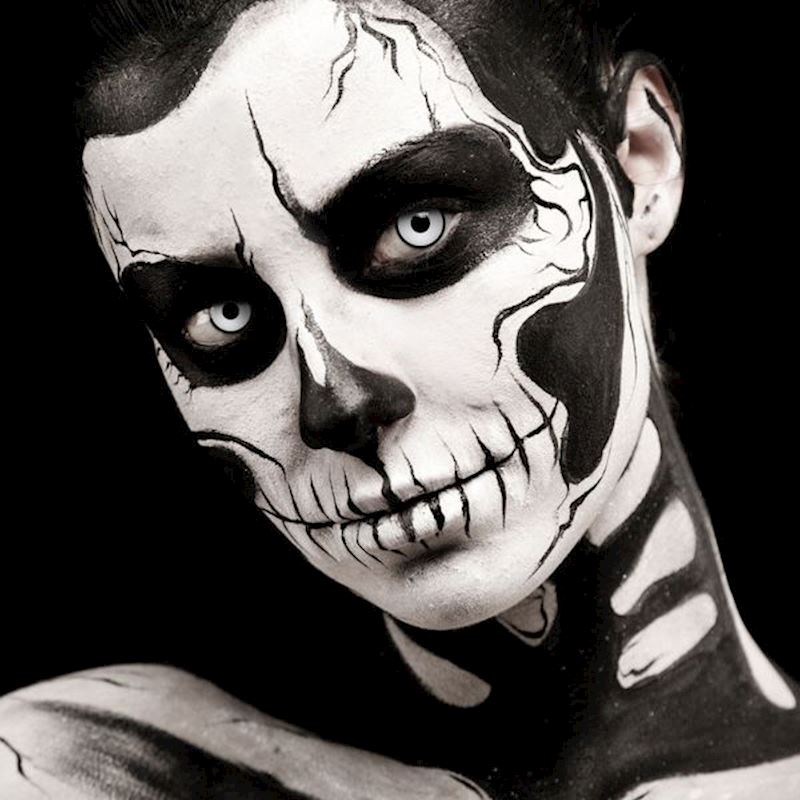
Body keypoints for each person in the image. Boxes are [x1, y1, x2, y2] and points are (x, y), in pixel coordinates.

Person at [2, 1, 798, 798]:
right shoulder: (83, 770)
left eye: (418, 226)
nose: (338, 404)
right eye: (223, 314)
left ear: (641, 158)